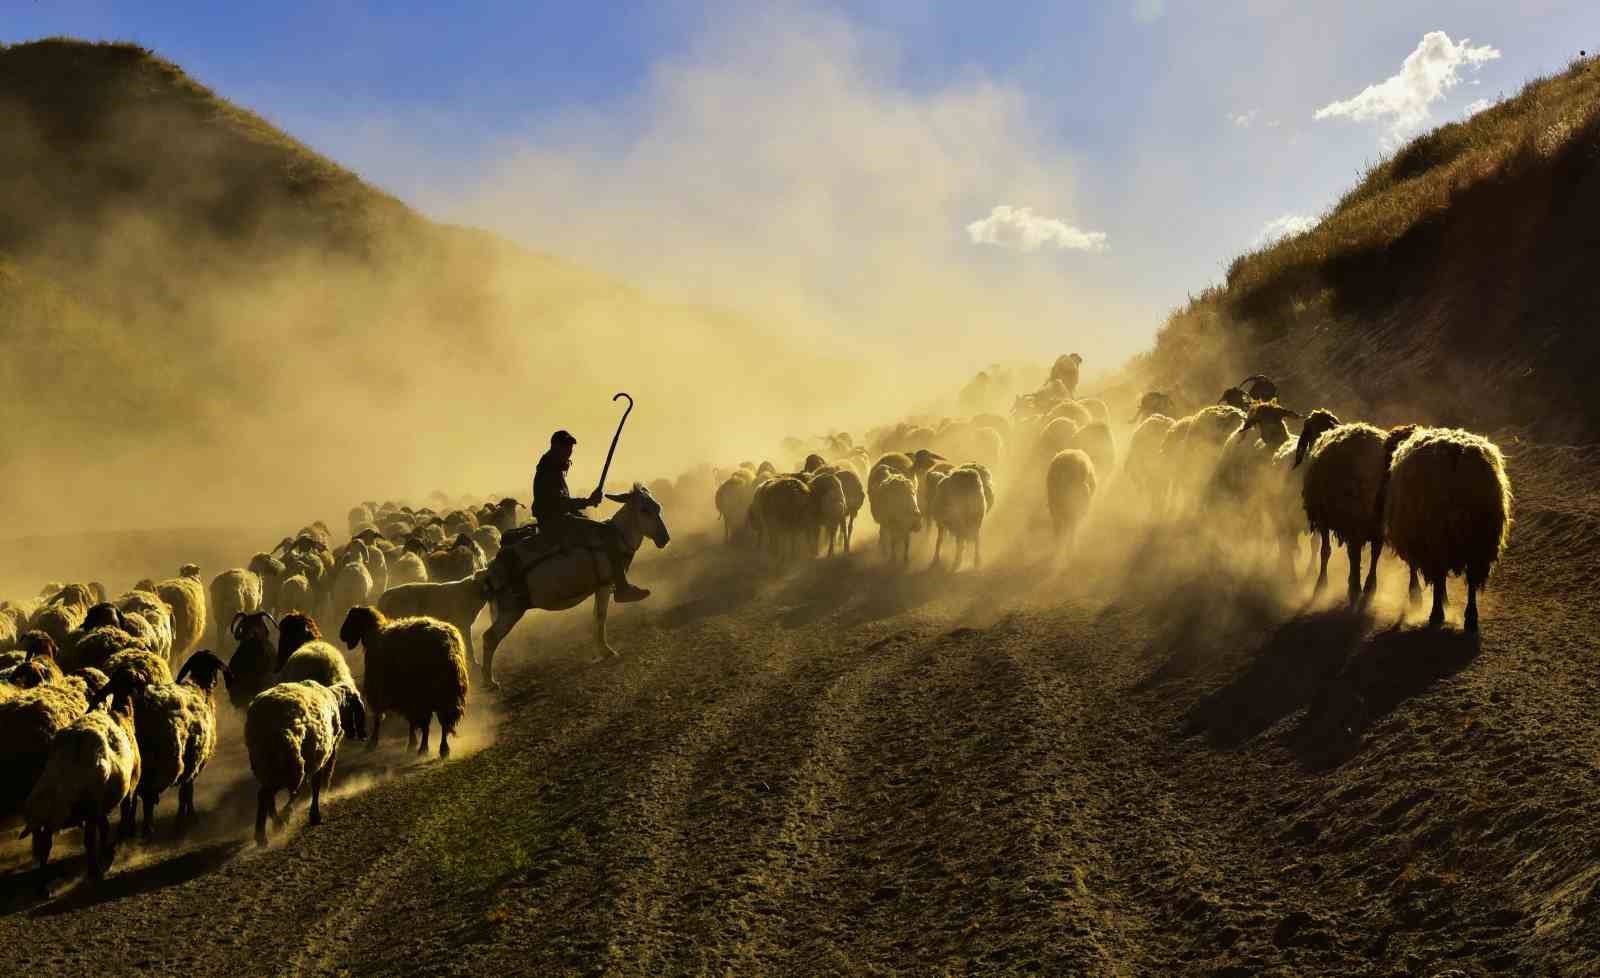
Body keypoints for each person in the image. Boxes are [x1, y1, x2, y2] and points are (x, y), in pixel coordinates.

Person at [532, 429, 650, 602]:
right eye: (566, 448)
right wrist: (587, 501)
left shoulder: (552, 466)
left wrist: (583, 506)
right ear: (556, 447)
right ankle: (622, 588)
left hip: (557, 518)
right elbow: (558, 503)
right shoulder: (549, 469)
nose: (569, 453)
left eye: (571, 449)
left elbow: (559, 502)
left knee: (595, 527)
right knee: (608, 533)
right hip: (555, 522)